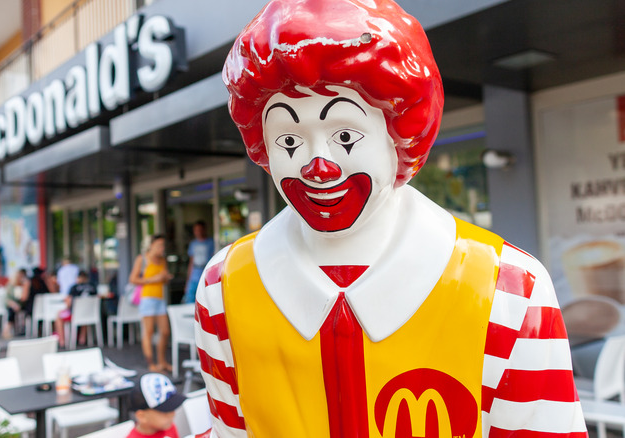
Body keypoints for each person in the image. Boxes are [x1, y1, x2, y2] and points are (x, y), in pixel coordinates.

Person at [195, 1, 585, 437]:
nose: (316, 165)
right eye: (289, 140)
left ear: (400, 133)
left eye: (345, 135)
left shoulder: (510, 288)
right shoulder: (223, 288)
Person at [129, 235, 173, 373]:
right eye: (159, 245)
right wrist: (153, 279)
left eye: (163, 245)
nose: (162, 248)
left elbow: (164, 281)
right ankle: (151, 363)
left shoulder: (162, 260)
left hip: (160, 298)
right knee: (148, 332)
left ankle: (162, 362)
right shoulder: (142, 259)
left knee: (165, 331)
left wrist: (165, 278)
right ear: (151, 246)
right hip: (147, 298)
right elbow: (133, 279)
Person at [127, 373, 186, 438]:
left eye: (172, 408)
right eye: (165, 411)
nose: (172, 414)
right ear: (142, 416)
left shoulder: (169, 427)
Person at [54, 271, 97, 348]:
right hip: (90, 315)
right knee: (84, 315)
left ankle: (62, 341)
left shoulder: (74, 287)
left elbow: (68, 303)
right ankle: (82, 339)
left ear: (79, 278)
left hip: (75, 315)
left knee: (59, 315)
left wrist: (65, 307)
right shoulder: (93, 287)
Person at [183, 221, 215, 304]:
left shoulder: (211, 242)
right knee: (190, 298)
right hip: (194, 275)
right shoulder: (193, 244)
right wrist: (188, 280)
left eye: (200, 230)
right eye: (196, 230)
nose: (198, 232)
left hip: (206, 274)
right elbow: (191, 262)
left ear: (204, 230)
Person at [3, 268, 30, 339]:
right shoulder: (10, 285)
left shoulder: (24, 285)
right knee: (11, 310)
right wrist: (14, 304)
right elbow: (7, 299)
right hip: (12, 304)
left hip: (21, 304)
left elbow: (24, 298)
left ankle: (20, 328)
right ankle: (6, 331)